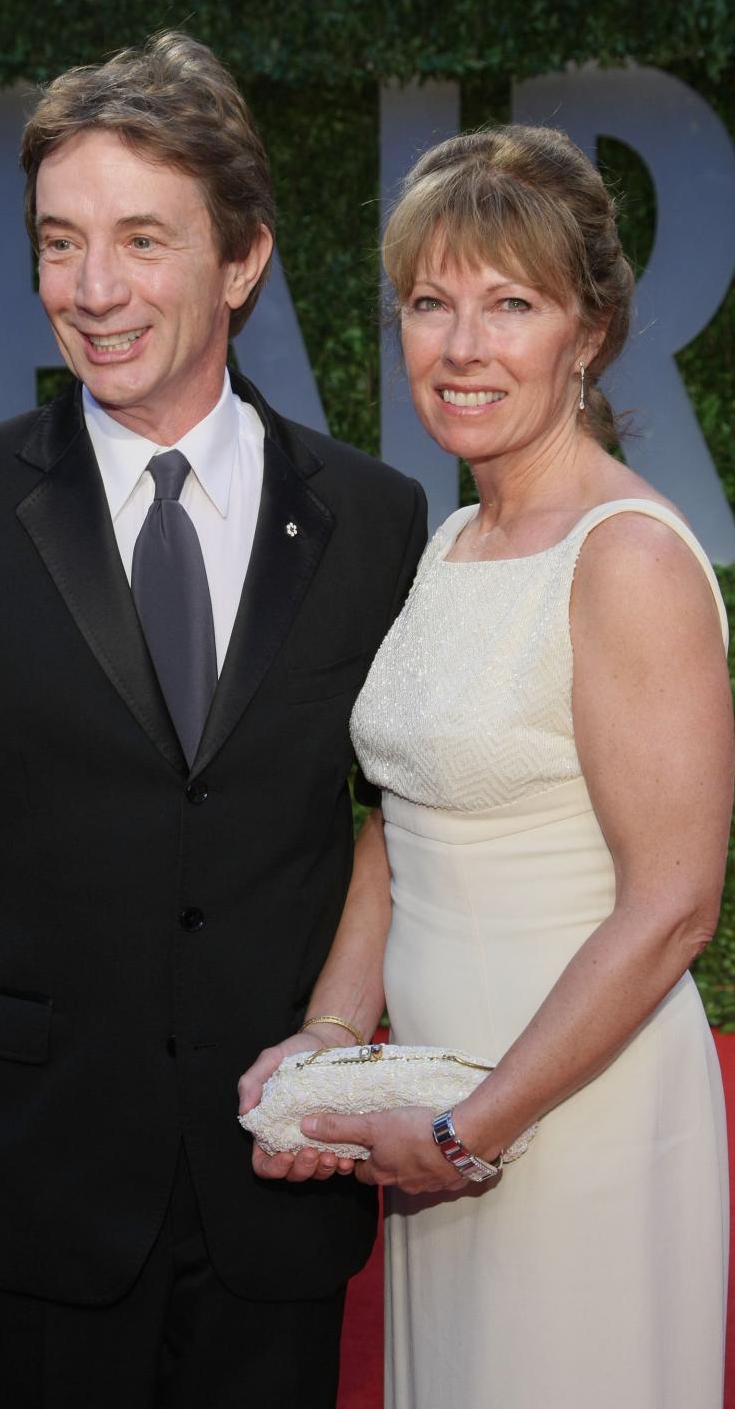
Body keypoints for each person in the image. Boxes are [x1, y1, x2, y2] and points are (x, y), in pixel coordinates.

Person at [0, 32, 427, 1408]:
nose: (92, 291)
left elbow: (402, 829)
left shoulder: (374, 520)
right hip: (31, 1173)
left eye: (142, 238)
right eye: (60, 241)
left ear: (245, 257)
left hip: (281, 1172)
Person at [239, 124, 732, 1407]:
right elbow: (403, 821)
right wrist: (332, 1039)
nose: (462, 348)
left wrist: (471, 1131)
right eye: (430, 303)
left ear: (592, 331)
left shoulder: (628, 557)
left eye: (510, 304)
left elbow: (675, 907)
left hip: (572, 1113)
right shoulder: (455, 537)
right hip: (439, 1111)